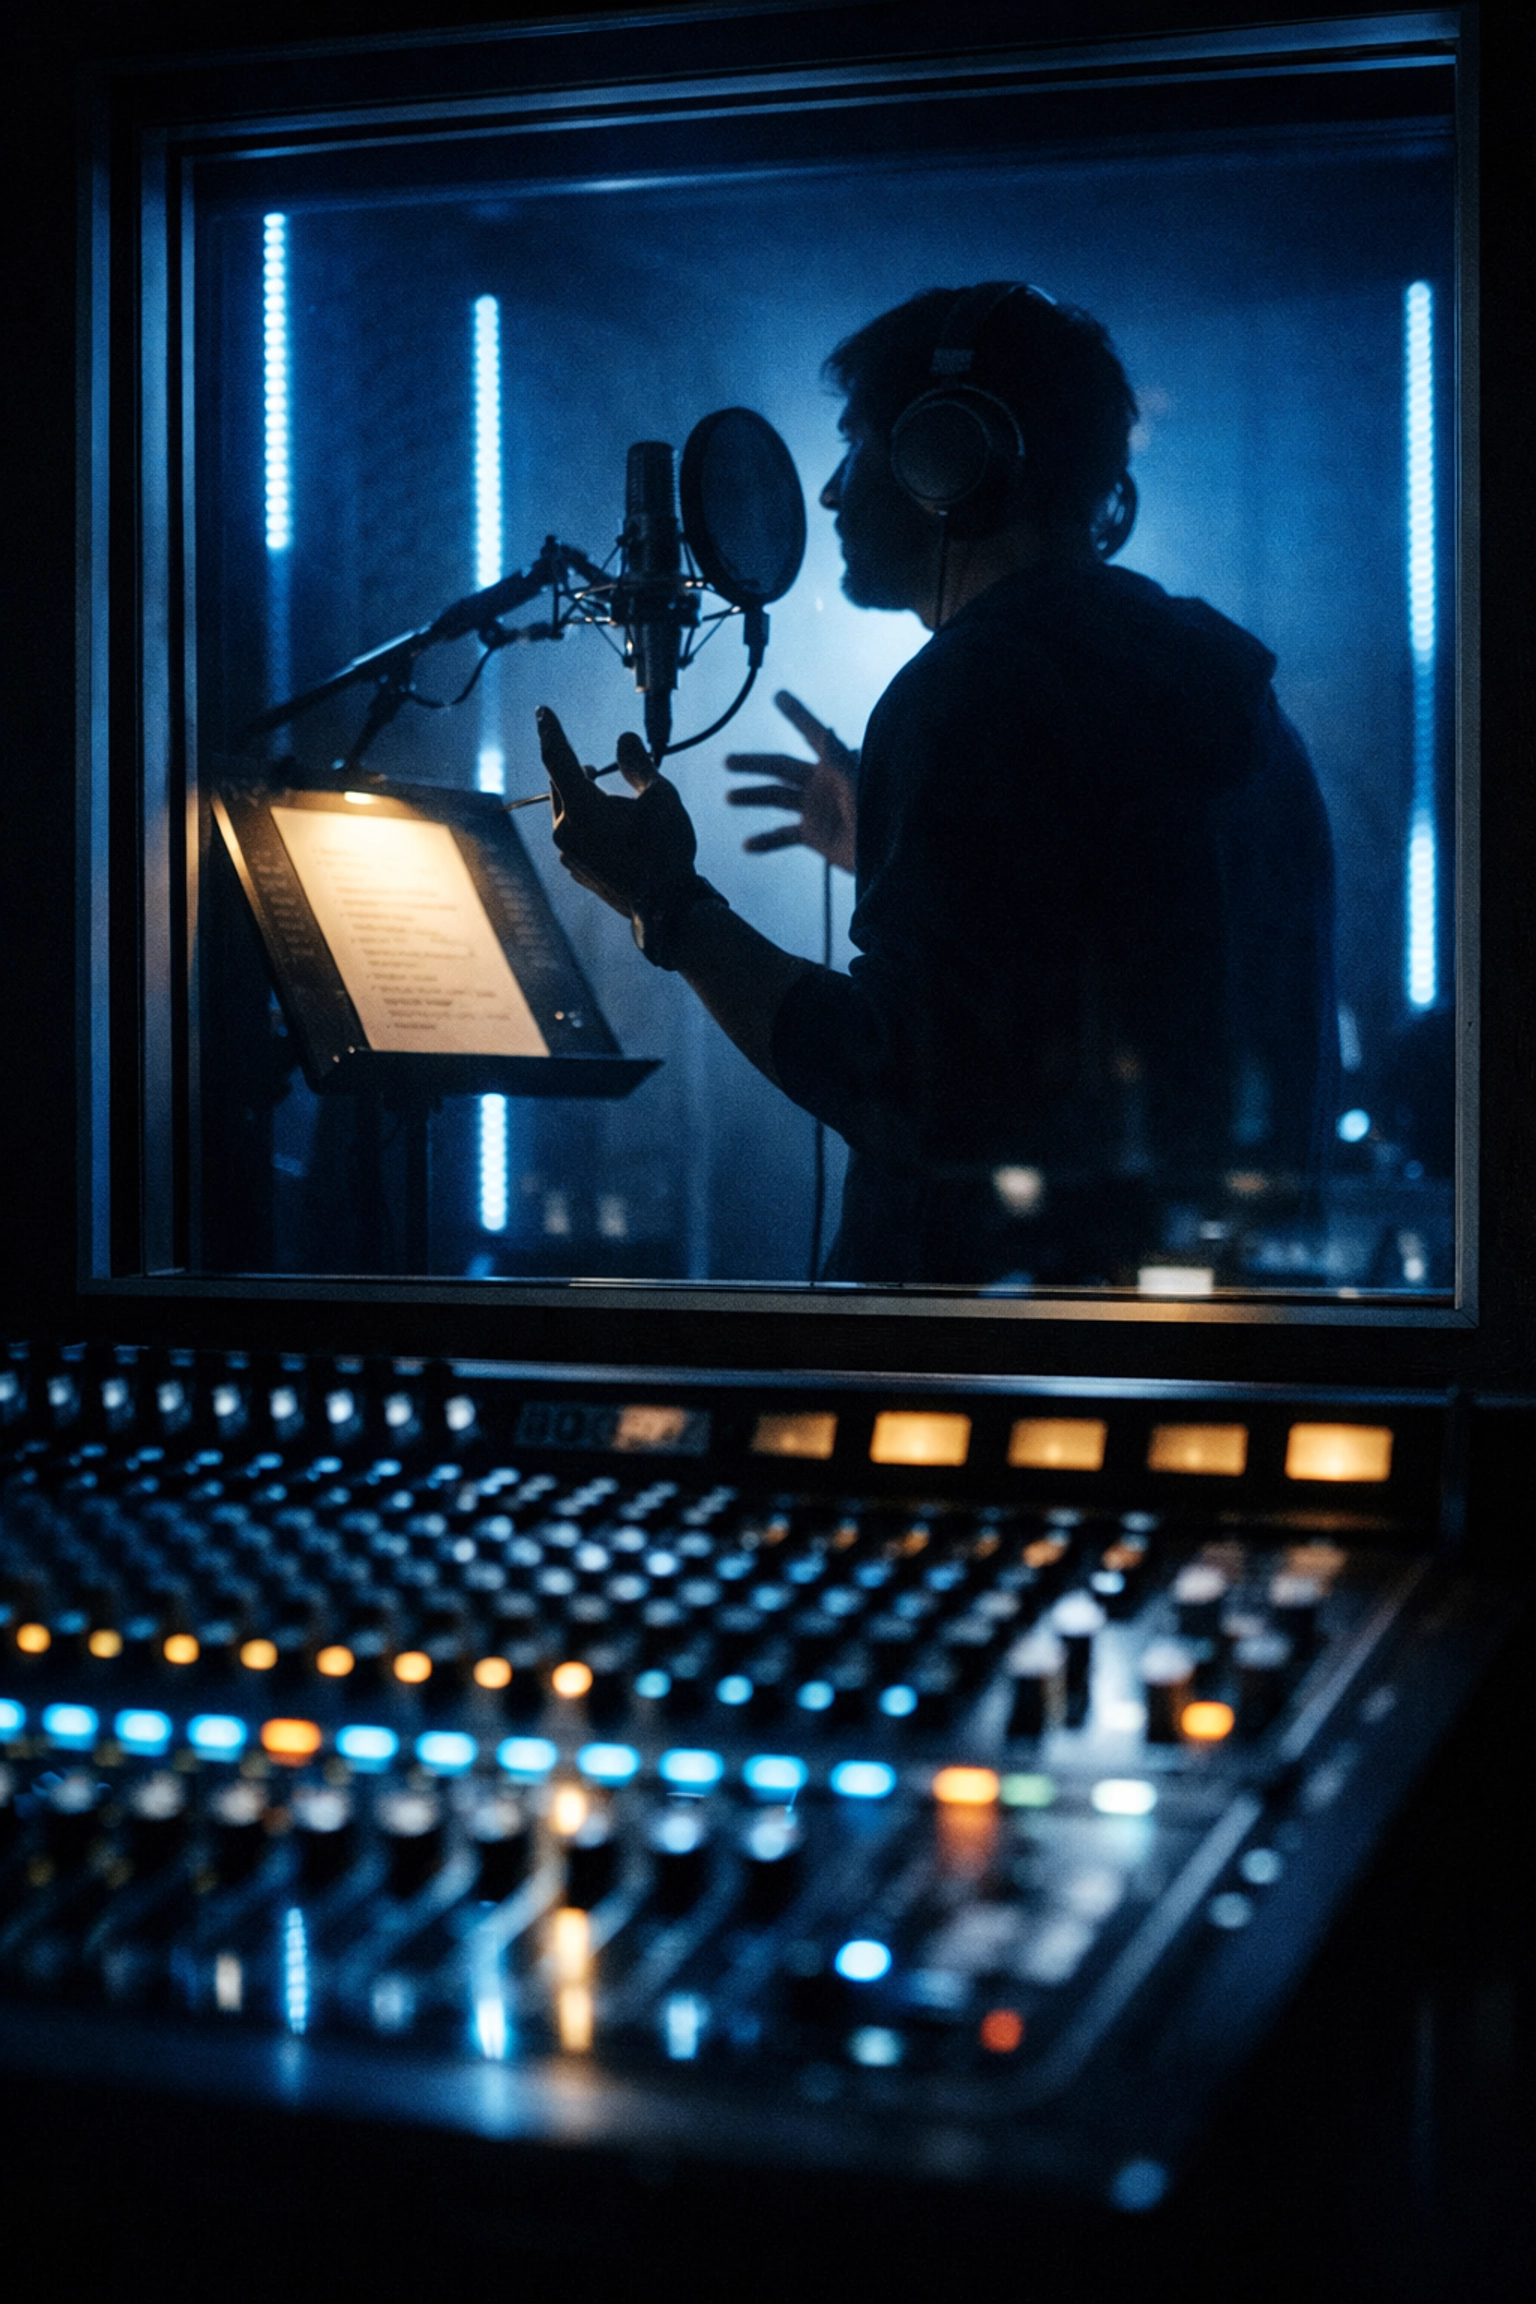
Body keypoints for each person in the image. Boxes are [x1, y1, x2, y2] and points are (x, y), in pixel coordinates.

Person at [535, 283, 1337, 1284]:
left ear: (943, 454)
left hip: (969, 1362)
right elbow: (1122, 974)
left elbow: (909, 1085)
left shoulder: (968, 689)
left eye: (856, 445)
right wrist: (900, 847)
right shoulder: (1228, 686)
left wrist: (670, 906)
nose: (830, 493)